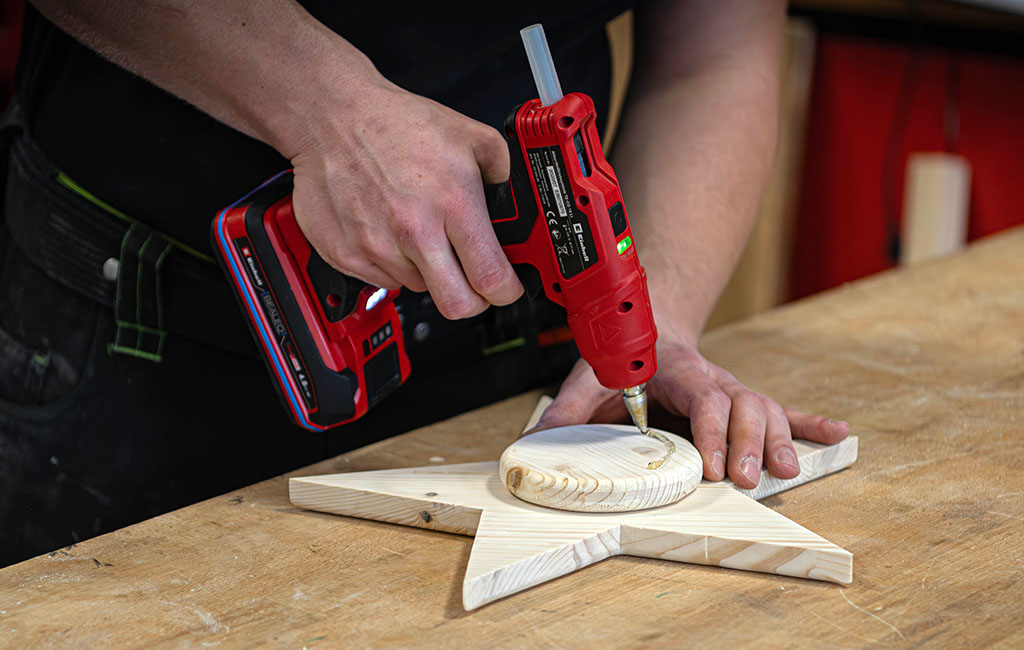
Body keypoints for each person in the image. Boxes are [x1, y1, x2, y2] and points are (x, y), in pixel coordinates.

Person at [0, 0, 849, 566]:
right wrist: (325, 108)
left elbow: (718, 54)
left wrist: (647, 316)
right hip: (136, 346)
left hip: (511, 364)